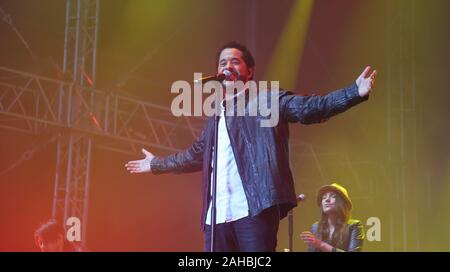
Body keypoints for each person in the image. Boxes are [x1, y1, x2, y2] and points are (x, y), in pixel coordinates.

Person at [125, 41, 376, 252]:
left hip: (254, 211)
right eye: (222, 63)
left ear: (249, 71)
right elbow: (193, 156)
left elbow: (311, 108)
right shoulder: (215, 118)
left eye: (234, 62)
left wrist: (354, 92)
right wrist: (155, 163)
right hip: (216, 218)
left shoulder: (266, 100)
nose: (227, 66)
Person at [300, 183, 365, 252]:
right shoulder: (315, 227)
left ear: (342, 202)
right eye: (324, 197)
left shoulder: (354, 226)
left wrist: (321, 245)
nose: (327, 200)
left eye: (333, 196)